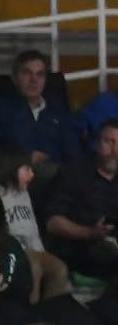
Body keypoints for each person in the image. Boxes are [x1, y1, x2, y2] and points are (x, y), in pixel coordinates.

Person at [0, 151, 71, 301]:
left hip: (32, 251)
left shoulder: (24, 193)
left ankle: (53, 313)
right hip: (8, 252)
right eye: (27, 170)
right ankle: (30, 314)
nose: (32, 175)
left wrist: (42, 254)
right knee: (33, 268)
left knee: (59, 268)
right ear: (11, 169)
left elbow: (32, 230)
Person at [0, 51, 80, 179]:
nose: (34, 80)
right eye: (26, 73)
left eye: (40, 74)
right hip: (12, 179)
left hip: (57, 182)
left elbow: (73, 154)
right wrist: (26, 158)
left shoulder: (59, 112)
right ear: (14, 78)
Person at [45, 117, 118, 278]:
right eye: (109, 142)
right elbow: (52, 222)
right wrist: (90, 233)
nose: (115, 151)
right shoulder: (73, 172)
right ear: (97, 143)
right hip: (79, 248)